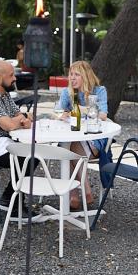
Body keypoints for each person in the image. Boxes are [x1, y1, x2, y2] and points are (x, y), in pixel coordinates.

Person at [56, 60, 109, 209]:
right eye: (70, 74)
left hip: (93, 140)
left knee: (68, 149)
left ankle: (76, 193)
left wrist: (82, 109)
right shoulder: (68, 93)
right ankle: (81, 192)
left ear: (85, 76)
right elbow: (60, 112)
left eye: (76, 74)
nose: (72, 78)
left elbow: (103, 115)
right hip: (72, 138)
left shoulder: (99, 91)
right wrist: (64, 114)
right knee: (68, 146)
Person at [0, 61, 32, 208]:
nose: (15, 78)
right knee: (29, 157)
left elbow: (23, 116)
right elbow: (8, 125)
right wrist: (21, 119)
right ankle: (12, 202)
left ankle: (12, 200)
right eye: (11, 75)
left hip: (5, 143)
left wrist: (22, 118)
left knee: (33, 154)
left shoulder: (5, 94)